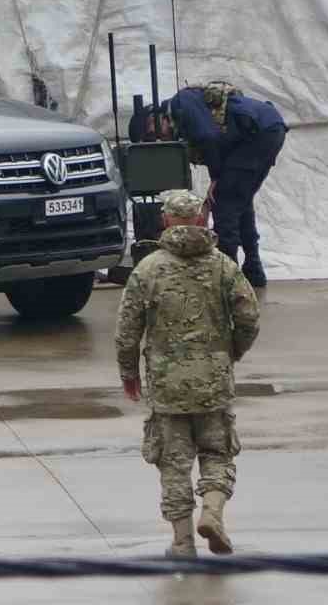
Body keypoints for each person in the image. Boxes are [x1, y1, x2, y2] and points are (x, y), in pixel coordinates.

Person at [115, 189, 261, 557]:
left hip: (167, 388)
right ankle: (212, 512)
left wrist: (129, 372)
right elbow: (248, 318)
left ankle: (182, 541)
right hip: (213, 380)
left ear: (164, 220)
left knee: (173, 463)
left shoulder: (147, 269)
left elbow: (127, 330)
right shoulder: (224, 266)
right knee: (216, 453)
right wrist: (232, 352)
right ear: (201, 219)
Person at [167, 81, 287, 287]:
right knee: (240, 200)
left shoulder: (181, 101)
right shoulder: (197, 102)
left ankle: (227, 276)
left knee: (224, 203)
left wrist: (215, 177)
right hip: (269, 127)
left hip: (257, 132)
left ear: (152, 118)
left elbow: (208, 136)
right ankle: (253, 268)